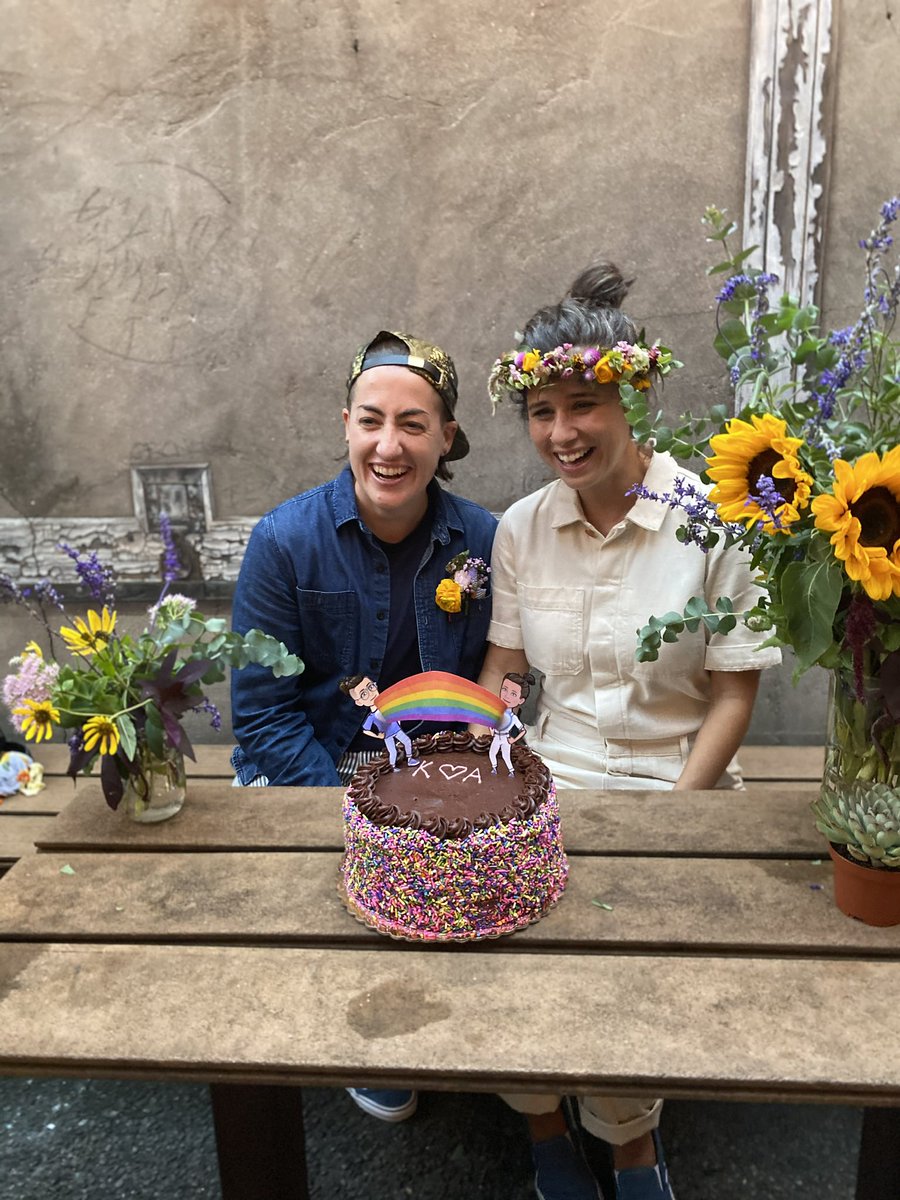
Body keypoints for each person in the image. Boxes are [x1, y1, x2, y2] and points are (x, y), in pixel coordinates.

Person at [478, 263, 782, 1200]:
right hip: (554, 771)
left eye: (584, 404)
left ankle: (630, 1139)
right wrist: (482, 765)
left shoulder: (714, 521)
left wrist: (675, 821)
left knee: (633, 959)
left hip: (674, 778)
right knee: (494, 923)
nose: (561, 433)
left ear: (634, 393)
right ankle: (538, 1122)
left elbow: (732, 695)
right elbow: (508, 671)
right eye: (540, 411)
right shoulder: (521, 530)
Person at [230, 329, 497, 1122]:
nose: (390, 445)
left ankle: (457, 1014)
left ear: (446, 437)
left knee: (460, 881)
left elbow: (506, 677)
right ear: (345, 423)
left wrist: (455, 786)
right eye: (372, 420)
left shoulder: (483, 540)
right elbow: (262, 714)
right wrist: (352, 809)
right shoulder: (285, 542)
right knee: (343, 893)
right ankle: (368, 1030)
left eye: (414, 424)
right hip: (314, 764)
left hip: (431, 770)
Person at [338, 673, 420, 770]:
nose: (371, 693)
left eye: (370, 687)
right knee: (392, 752)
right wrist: (378, 735)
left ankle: (410, 759)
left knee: (407, 741)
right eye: (364, 694)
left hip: (397, 729)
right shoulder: (371, 717)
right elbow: (366, 730)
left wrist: (398, 720)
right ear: (359, 702)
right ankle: (392, 766)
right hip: (387, 736)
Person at [489, 670, 533, 775]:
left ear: (521, 700)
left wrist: (513, 740)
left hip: (505, 738)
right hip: (496, 737)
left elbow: (522, 731)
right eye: (504, 689)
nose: (507, 696)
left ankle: (511, 771)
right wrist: (491, 732)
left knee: (505, 756)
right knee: (491, 753)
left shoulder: (513, 718)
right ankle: (494, 768)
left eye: (513, 694)